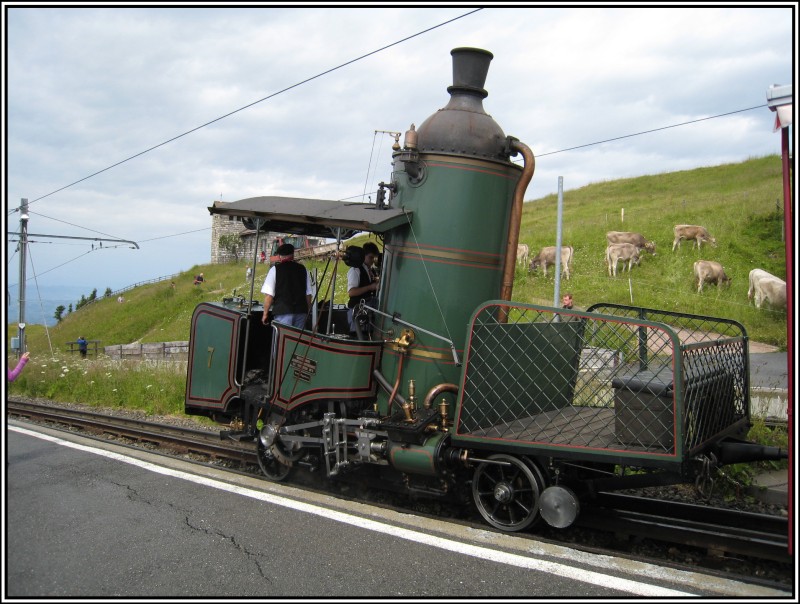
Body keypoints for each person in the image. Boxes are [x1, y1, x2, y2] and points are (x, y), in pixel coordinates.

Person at [261, 243, 313, 329]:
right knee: (297, 340)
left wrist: (265, 313)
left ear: (279, 256)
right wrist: (308, 311)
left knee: (282, 340)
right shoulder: (303, 269)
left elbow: (269, 295)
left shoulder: (275, 270)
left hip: (283, 311)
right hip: (300, 311)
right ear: (293, 255)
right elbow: (308, 294)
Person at [347, 242, 380, 338]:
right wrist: (370, 287)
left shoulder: (371, 271)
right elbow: (352, 292)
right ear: (363, 256)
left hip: (367, 312)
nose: (372, 261)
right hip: (357, 311)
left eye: (374, 258)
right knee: (357, 337)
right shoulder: (355, 270)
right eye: (370, 257)